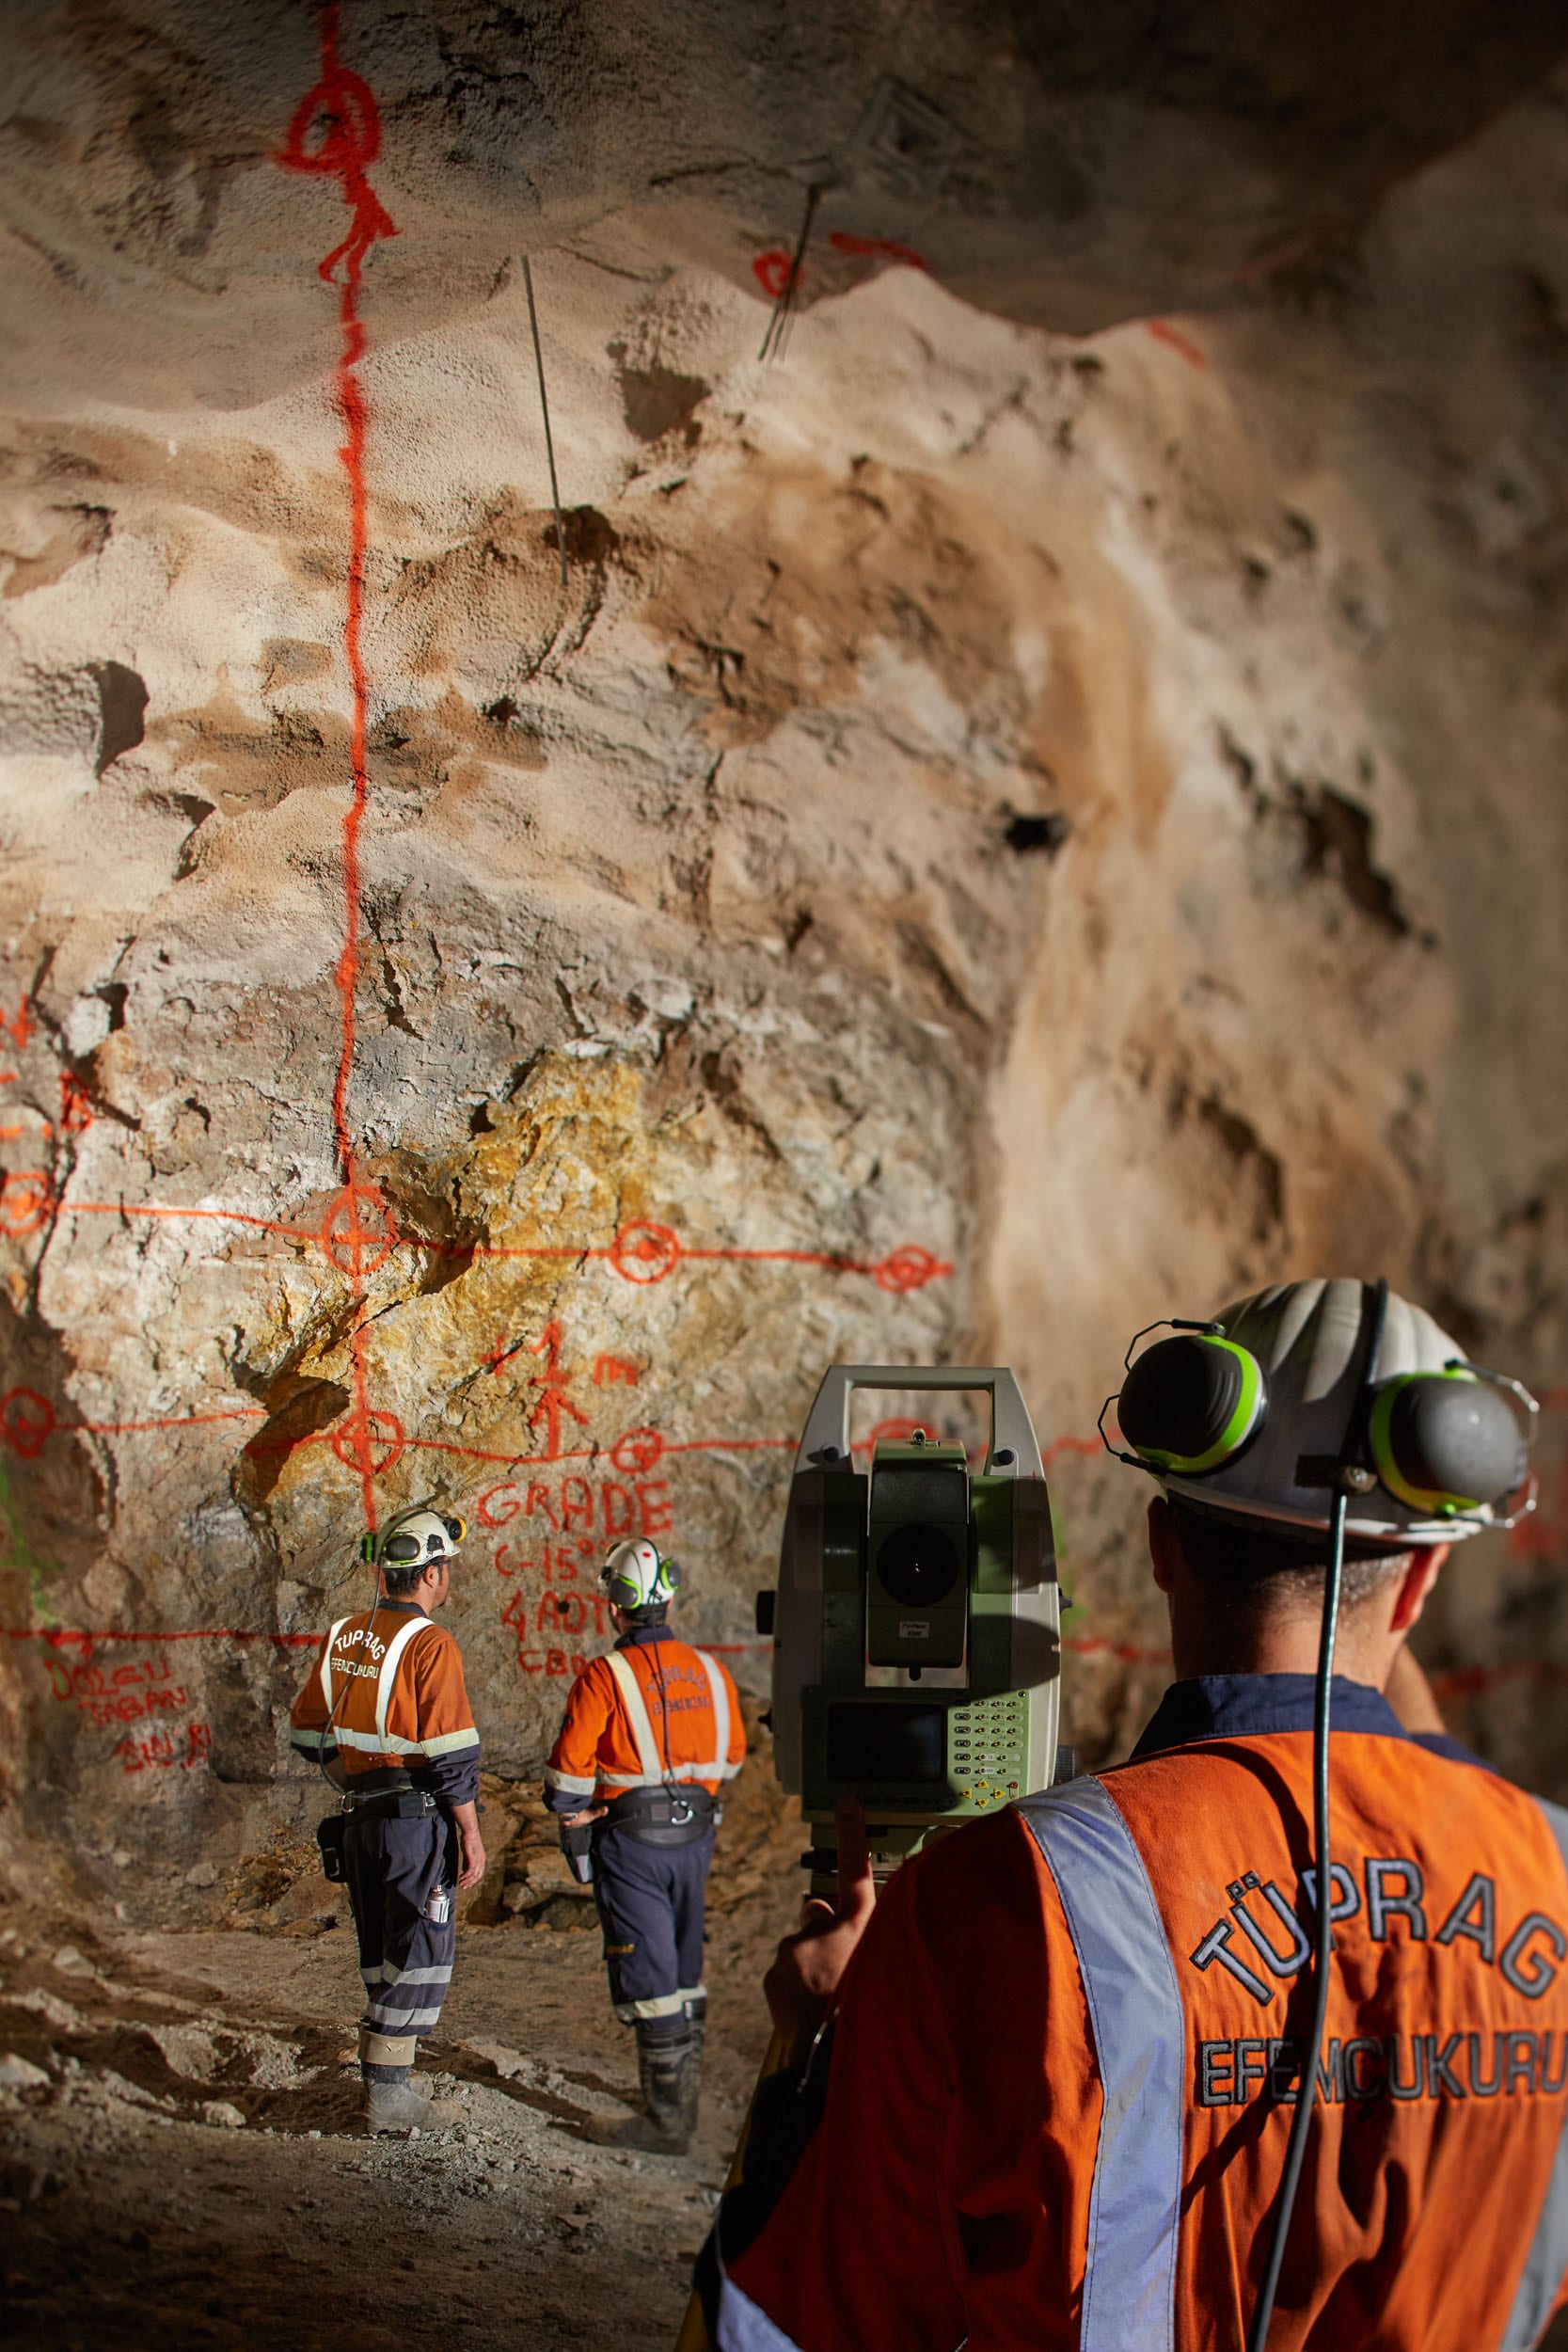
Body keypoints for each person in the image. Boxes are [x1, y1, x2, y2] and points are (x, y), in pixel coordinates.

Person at [698, 1278, 1567, 2349]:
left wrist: (820, 2039)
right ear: (1424, 1580)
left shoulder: (1004, 1902)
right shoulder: (1553, 1873)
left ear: (1161, 1546)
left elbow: (789, 2326)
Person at [544, 1536, 747, 2153]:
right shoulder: (711, 1672)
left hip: (631, 1841)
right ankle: (681, 2106)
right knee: (682, 1966)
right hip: (695, 1837)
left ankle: (664, 2124)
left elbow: (567, 1779)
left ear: (614, 1606)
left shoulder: (604, 1676)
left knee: (647, 1968)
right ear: (669, 1598)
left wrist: (572, 1816)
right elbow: (732, 1757)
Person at [290, 1505, 485, 2134]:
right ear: (430, 1574)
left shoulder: (346, 1634)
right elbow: (450, 1754)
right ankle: (390, 2096)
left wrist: (359, 1779)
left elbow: (305, 1732)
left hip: (361, 1820)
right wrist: (470, 1832)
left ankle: (387, 2082)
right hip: (413, 1820)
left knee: (380, 1951)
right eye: (444, 1568)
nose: (445, 1578)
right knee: (421, 1946)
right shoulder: (432, 1643)